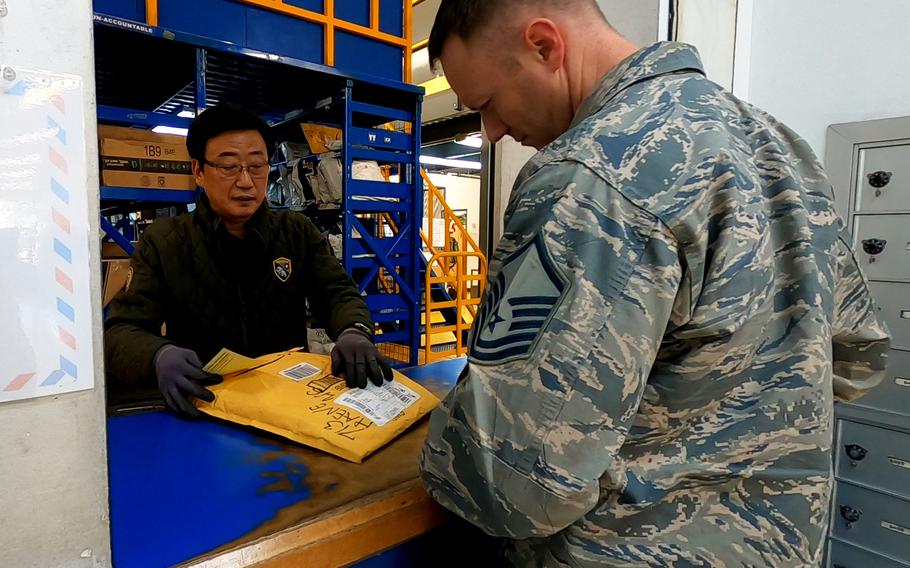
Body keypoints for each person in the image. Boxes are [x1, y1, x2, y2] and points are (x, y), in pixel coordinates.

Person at [418, 1, 891, 566]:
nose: (491, 133)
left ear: (544, 45)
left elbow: (515, 483)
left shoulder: (587, 176)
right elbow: (858, 358)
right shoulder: (781, 146)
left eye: (487, 105)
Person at [105, 104, 391, 416]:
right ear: (198, 171)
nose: (245, 182)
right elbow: (121, 330)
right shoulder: (164, 242)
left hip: (287, 402)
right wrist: (156, 355)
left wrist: (354, 329)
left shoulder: (295, 232)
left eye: (257, 167)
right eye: (228, 167)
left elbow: (337, 292)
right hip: (206, 401)